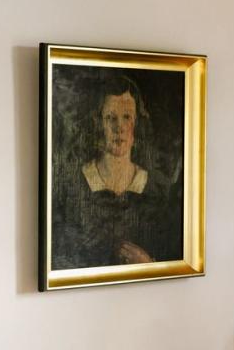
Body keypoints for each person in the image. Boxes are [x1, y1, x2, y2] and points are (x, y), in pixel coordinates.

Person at [51, 73, 182, 271]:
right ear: (98, 123)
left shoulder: (157, 189)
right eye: (110, 118)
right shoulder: (73, 186)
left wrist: (148, 265)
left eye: (126, 117)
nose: (119, 127)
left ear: (136, 123)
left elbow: (175, 261)